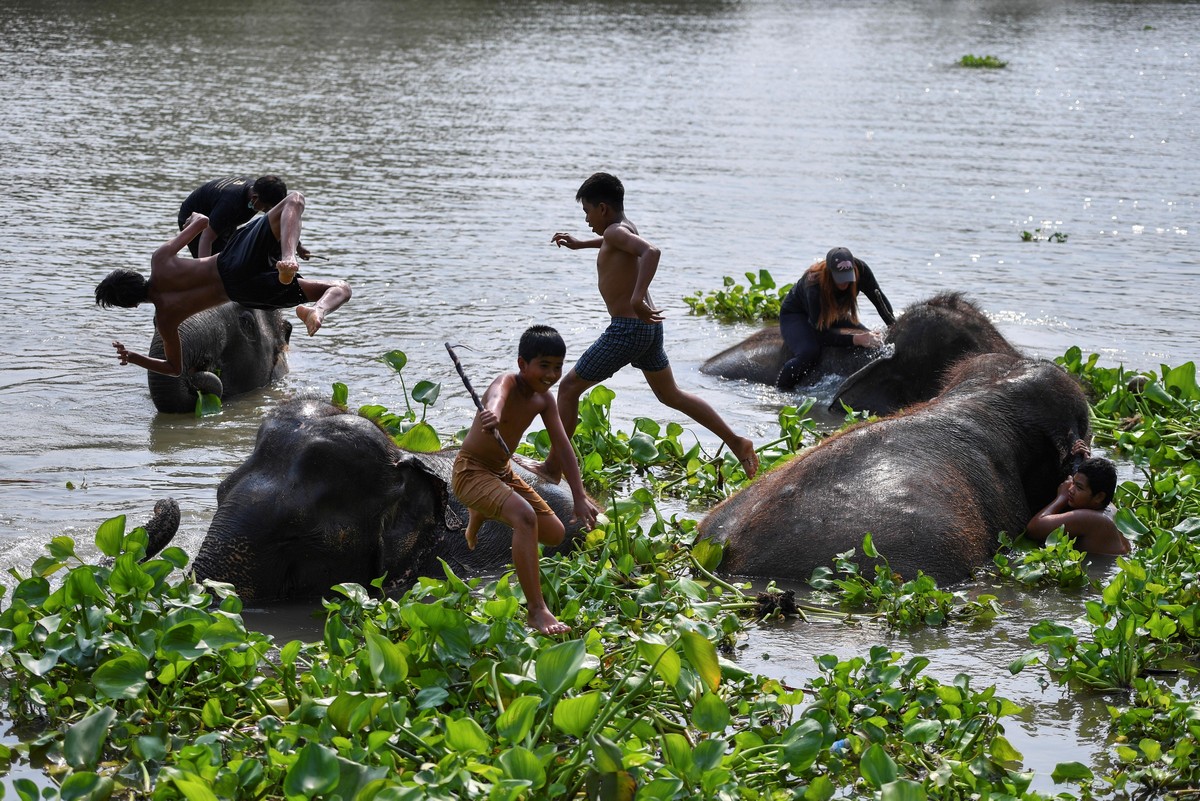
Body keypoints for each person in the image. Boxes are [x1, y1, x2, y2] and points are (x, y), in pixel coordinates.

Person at [543, 172, 759, 482]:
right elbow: (614, 243)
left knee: (567, 389)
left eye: (587, 211)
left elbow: (651, 252)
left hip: (627, 330)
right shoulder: (621, 229)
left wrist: (636, 296)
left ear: (602, 208)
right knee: (671, 394)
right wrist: (581, 244)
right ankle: (738, 442)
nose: (587, 219)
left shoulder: (617, 232)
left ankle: (553, 467)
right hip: (648, 331)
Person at [96, 191, 351, 378]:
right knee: (294, 200)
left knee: (341, 288)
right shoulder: (159, 260)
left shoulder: (166, 319)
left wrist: (134, 357)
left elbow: (174, 369)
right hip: (232, 263)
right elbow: (203, 222)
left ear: (130, 305)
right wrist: (193, 217)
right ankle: (294, 268)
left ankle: (307, 302)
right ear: (134, 275)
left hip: (243, 293)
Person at [452, 325, 597, 636]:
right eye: (543, 365)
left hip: (502, 471)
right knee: (525, 518)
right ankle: (536, 610)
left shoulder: (544, 400)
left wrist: (580, 494)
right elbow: (495, 400)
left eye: (558, 367)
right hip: (472, 471)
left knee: (556, 533)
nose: (551, 374)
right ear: (522, 364)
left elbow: (563, 446)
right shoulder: (506, 381)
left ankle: (481, 511)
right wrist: (490, 414)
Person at [776, 246, 895, 390]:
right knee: (809, 353)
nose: (844, 283)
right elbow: (821, 335)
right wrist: (857, 339)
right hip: (797, 314)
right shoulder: (814, 284)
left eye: (847, 278)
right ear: (829, 273)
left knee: (872, 338)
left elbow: (879, 301)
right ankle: (780, 391)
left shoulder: (861, 270)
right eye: (839, 279)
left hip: (832, 313)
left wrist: (893, 326)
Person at [1026, 440, 1131, 555]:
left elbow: (1034, 529)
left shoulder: (1089, 518)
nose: (1070, 489)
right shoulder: (1110, 507)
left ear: (1099, 496)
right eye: (1073, 483)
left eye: (1079, 487)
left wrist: (1061, 497)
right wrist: (1088, 463)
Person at [177, 175, 306, 259]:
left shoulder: (261, 193)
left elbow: (284, 221)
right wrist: (203, 270)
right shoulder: (231, 203)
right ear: (255, 198)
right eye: (266, 209)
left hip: (223, 219)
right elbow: (207, 237)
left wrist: (298, 247)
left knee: (229, 259)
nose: (267, 212)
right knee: (215, 265)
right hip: (194, 220)